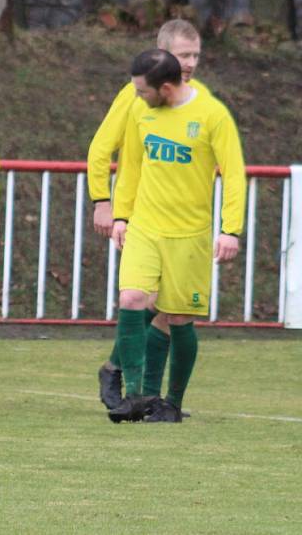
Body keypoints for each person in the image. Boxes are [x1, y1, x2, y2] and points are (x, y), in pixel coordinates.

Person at [107, 49, 245, 423]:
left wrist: (230, 229)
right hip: (145, 227)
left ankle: (172, 402)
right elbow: (131, 165)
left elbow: (234, 174)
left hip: (189, 235)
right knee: (132, 297)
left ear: (166, 88)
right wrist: (121, 215)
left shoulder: (211, 115)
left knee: (180, 317)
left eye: (142, 91)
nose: (136, 97)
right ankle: (135, 395)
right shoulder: (141, 112)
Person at [87, 19, 210, 411]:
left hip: (179, 223)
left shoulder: (196, 99)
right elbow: (99, 149)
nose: (188, 63)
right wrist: (103, 203)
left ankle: (125, 375)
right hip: (140, 217)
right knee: (144, 299)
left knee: (164, 308)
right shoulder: (134, 95)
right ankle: (134, 386)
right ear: (160, 52)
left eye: (194, 55)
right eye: (181, 54)